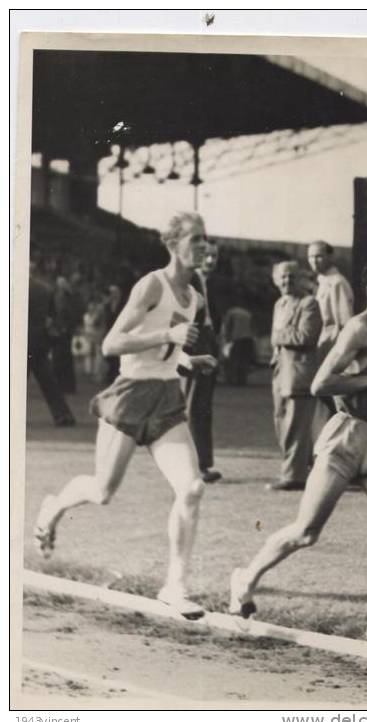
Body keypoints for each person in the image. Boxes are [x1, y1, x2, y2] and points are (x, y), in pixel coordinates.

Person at [230, 257, 367, 653]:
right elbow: (321, 383)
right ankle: (245, 580)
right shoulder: (358, 328)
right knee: (306, 532)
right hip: (345, 440)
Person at [34, 211, 217, 619]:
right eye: (196, 239)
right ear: (173, 244)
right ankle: (53, 508)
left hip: (167, 399)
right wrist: (168, 335)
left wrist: (186, 359)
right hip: (130, 395)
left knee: (192, 488)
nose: (204, 246)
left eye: (206, 239)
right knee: (102, 492)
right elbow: (112, 344)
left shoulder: (197, 298)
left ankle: (175, 585)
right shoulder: (152, 284)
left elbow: (164, 357)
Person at [266, 261, 322, 492]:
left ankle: (293, 476)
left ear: (300, 279)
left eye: (291, 277)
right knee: (281, 421)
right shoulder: (280, 304)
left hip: (299, 372)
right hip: (280, 371)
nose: (286, 281)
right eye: (282, 277)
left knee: (295, 426)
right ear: (275, 280)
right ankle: (303, 469)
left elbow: (306, 337)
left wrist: (279, 335)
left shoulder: (309, 304)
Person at [307, 240, 354, 439]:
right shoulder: (322, 281)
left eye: (319, 256)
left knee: (332, 398)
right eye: (310, 256)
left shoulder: (337, 283)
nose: (314, 261)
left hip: (332, 348)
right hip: (321, 346)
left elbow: (344, 322)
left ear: (329, 257)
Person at [185, 241, 223, 484]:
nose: (210, 260)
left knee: (203, 407)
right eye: (206, 255)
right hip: (192, 344)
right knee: (193, 406)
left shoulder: (212, 284)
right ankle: (193, 466)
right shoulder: (188, 281)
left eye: (214, 256)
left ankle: (203, 463)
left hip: (209, 342)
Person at [27, 266, 76, 427]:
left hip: (19, 340)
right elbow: (53, 316)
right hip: (39, 341)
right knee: (49, 382)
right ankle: (63, 415)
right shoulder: (45, 289)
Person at [220, 292, 255, 386]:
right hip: (248, 338)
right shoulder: (247, 313)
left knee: (234, 360)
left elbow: (228, 326)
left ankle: (232, 379)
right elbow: (252, 327)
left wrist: (226, 340)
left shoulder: (231, 312)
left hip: (237, 338)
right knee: (244, 360)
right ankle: (242, 379)